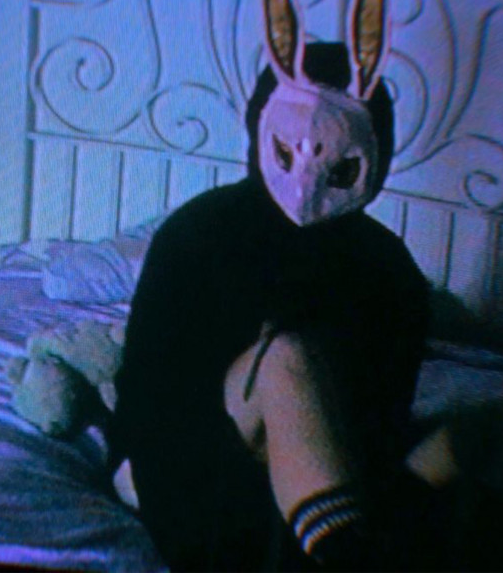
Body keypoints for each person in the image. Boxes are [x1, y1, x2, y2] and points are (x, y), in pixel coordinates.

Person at [109, 37, 431, 571]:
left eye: (337, 169)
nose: (304, 189)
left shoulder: (389, 268)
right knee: (286, 359)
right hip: (183, 463)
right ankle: (348, 556)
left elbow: (383, 415)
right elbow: (152, 407)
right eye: (286, 154)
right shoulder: (197, 236)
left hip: (325, 458)